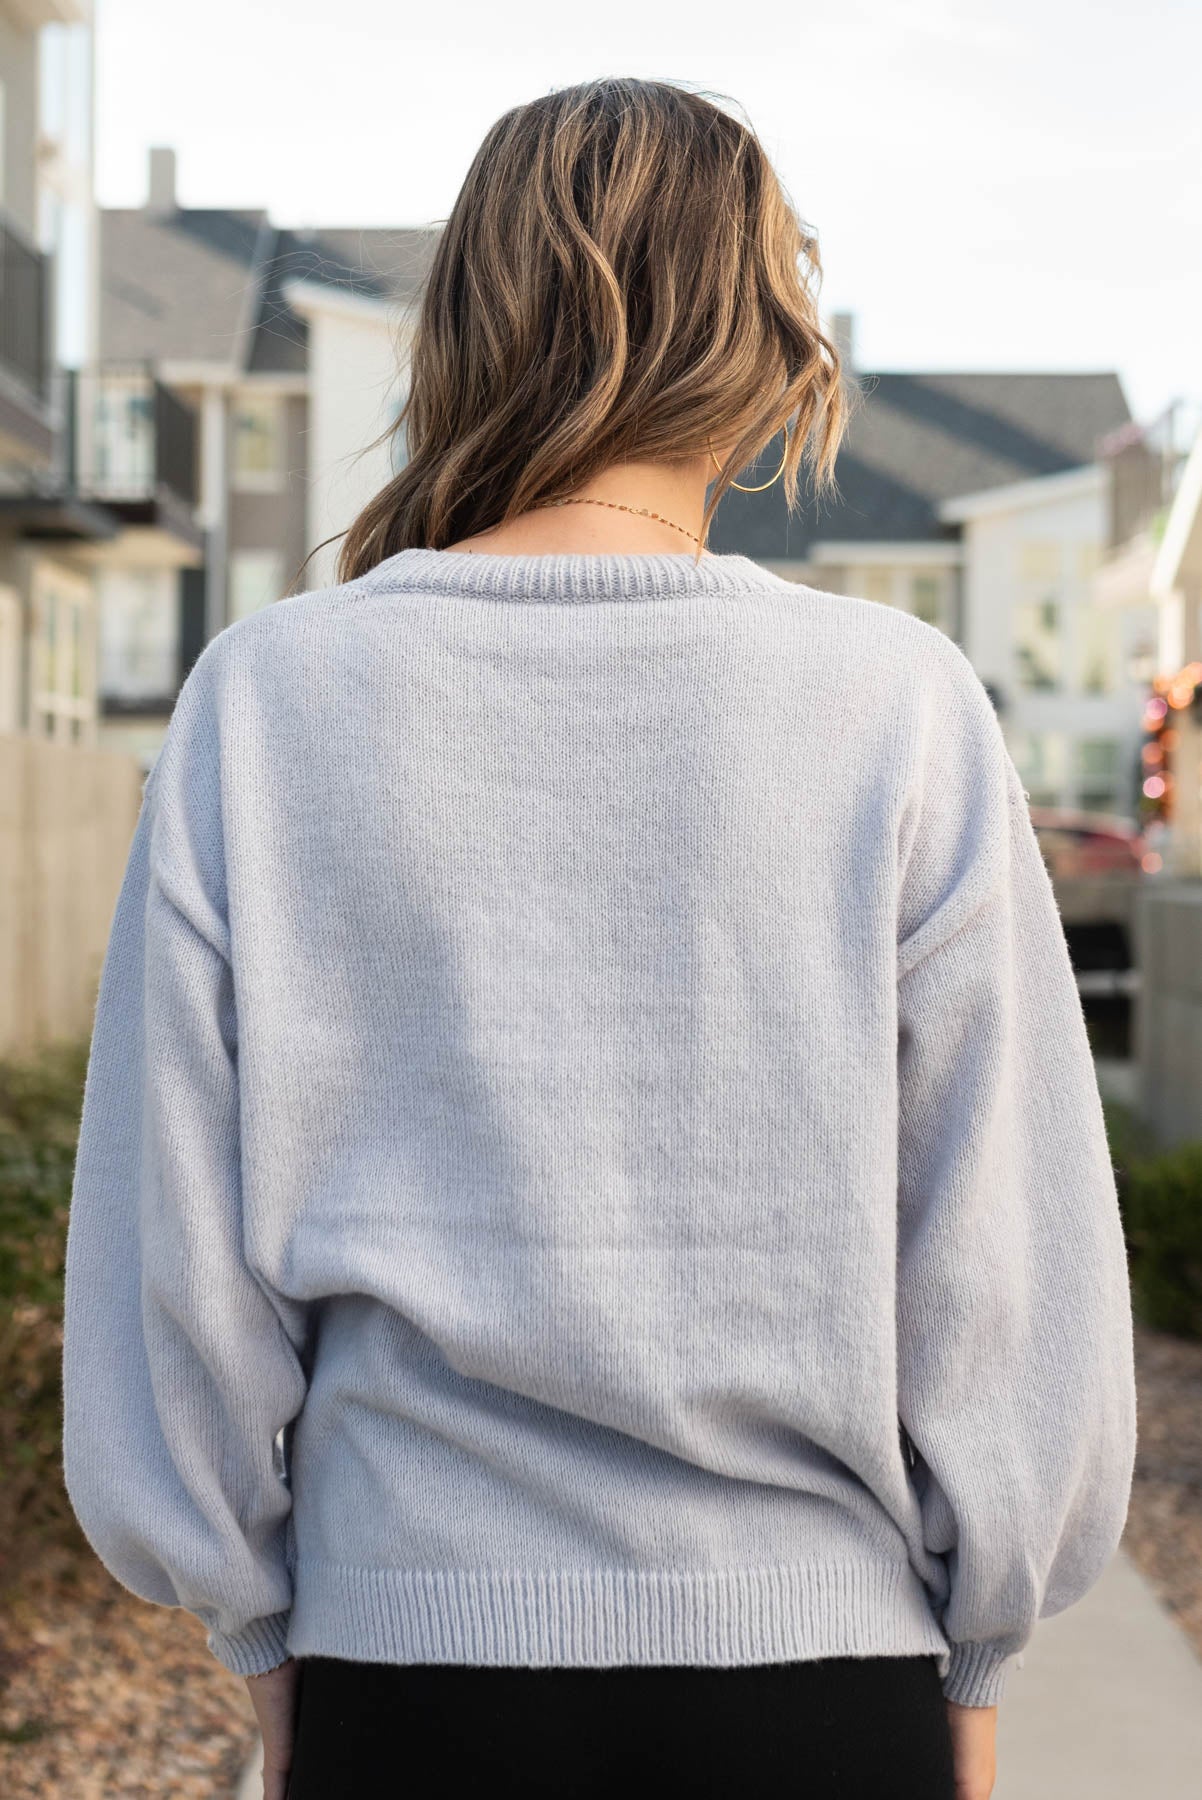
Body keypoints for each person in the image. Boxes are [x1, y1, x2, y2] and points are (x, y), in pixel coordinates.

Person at [61, 76, 1137, 1800]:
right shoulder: (894, 705)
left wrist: (255, 1628)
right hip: (817, 1680)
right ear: (762, 330)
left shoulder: (267, 700)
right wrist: (982, 1645)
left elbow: (171, 1253)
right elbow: (996, 1253)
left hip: (409, 1672)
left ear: (472, 322)